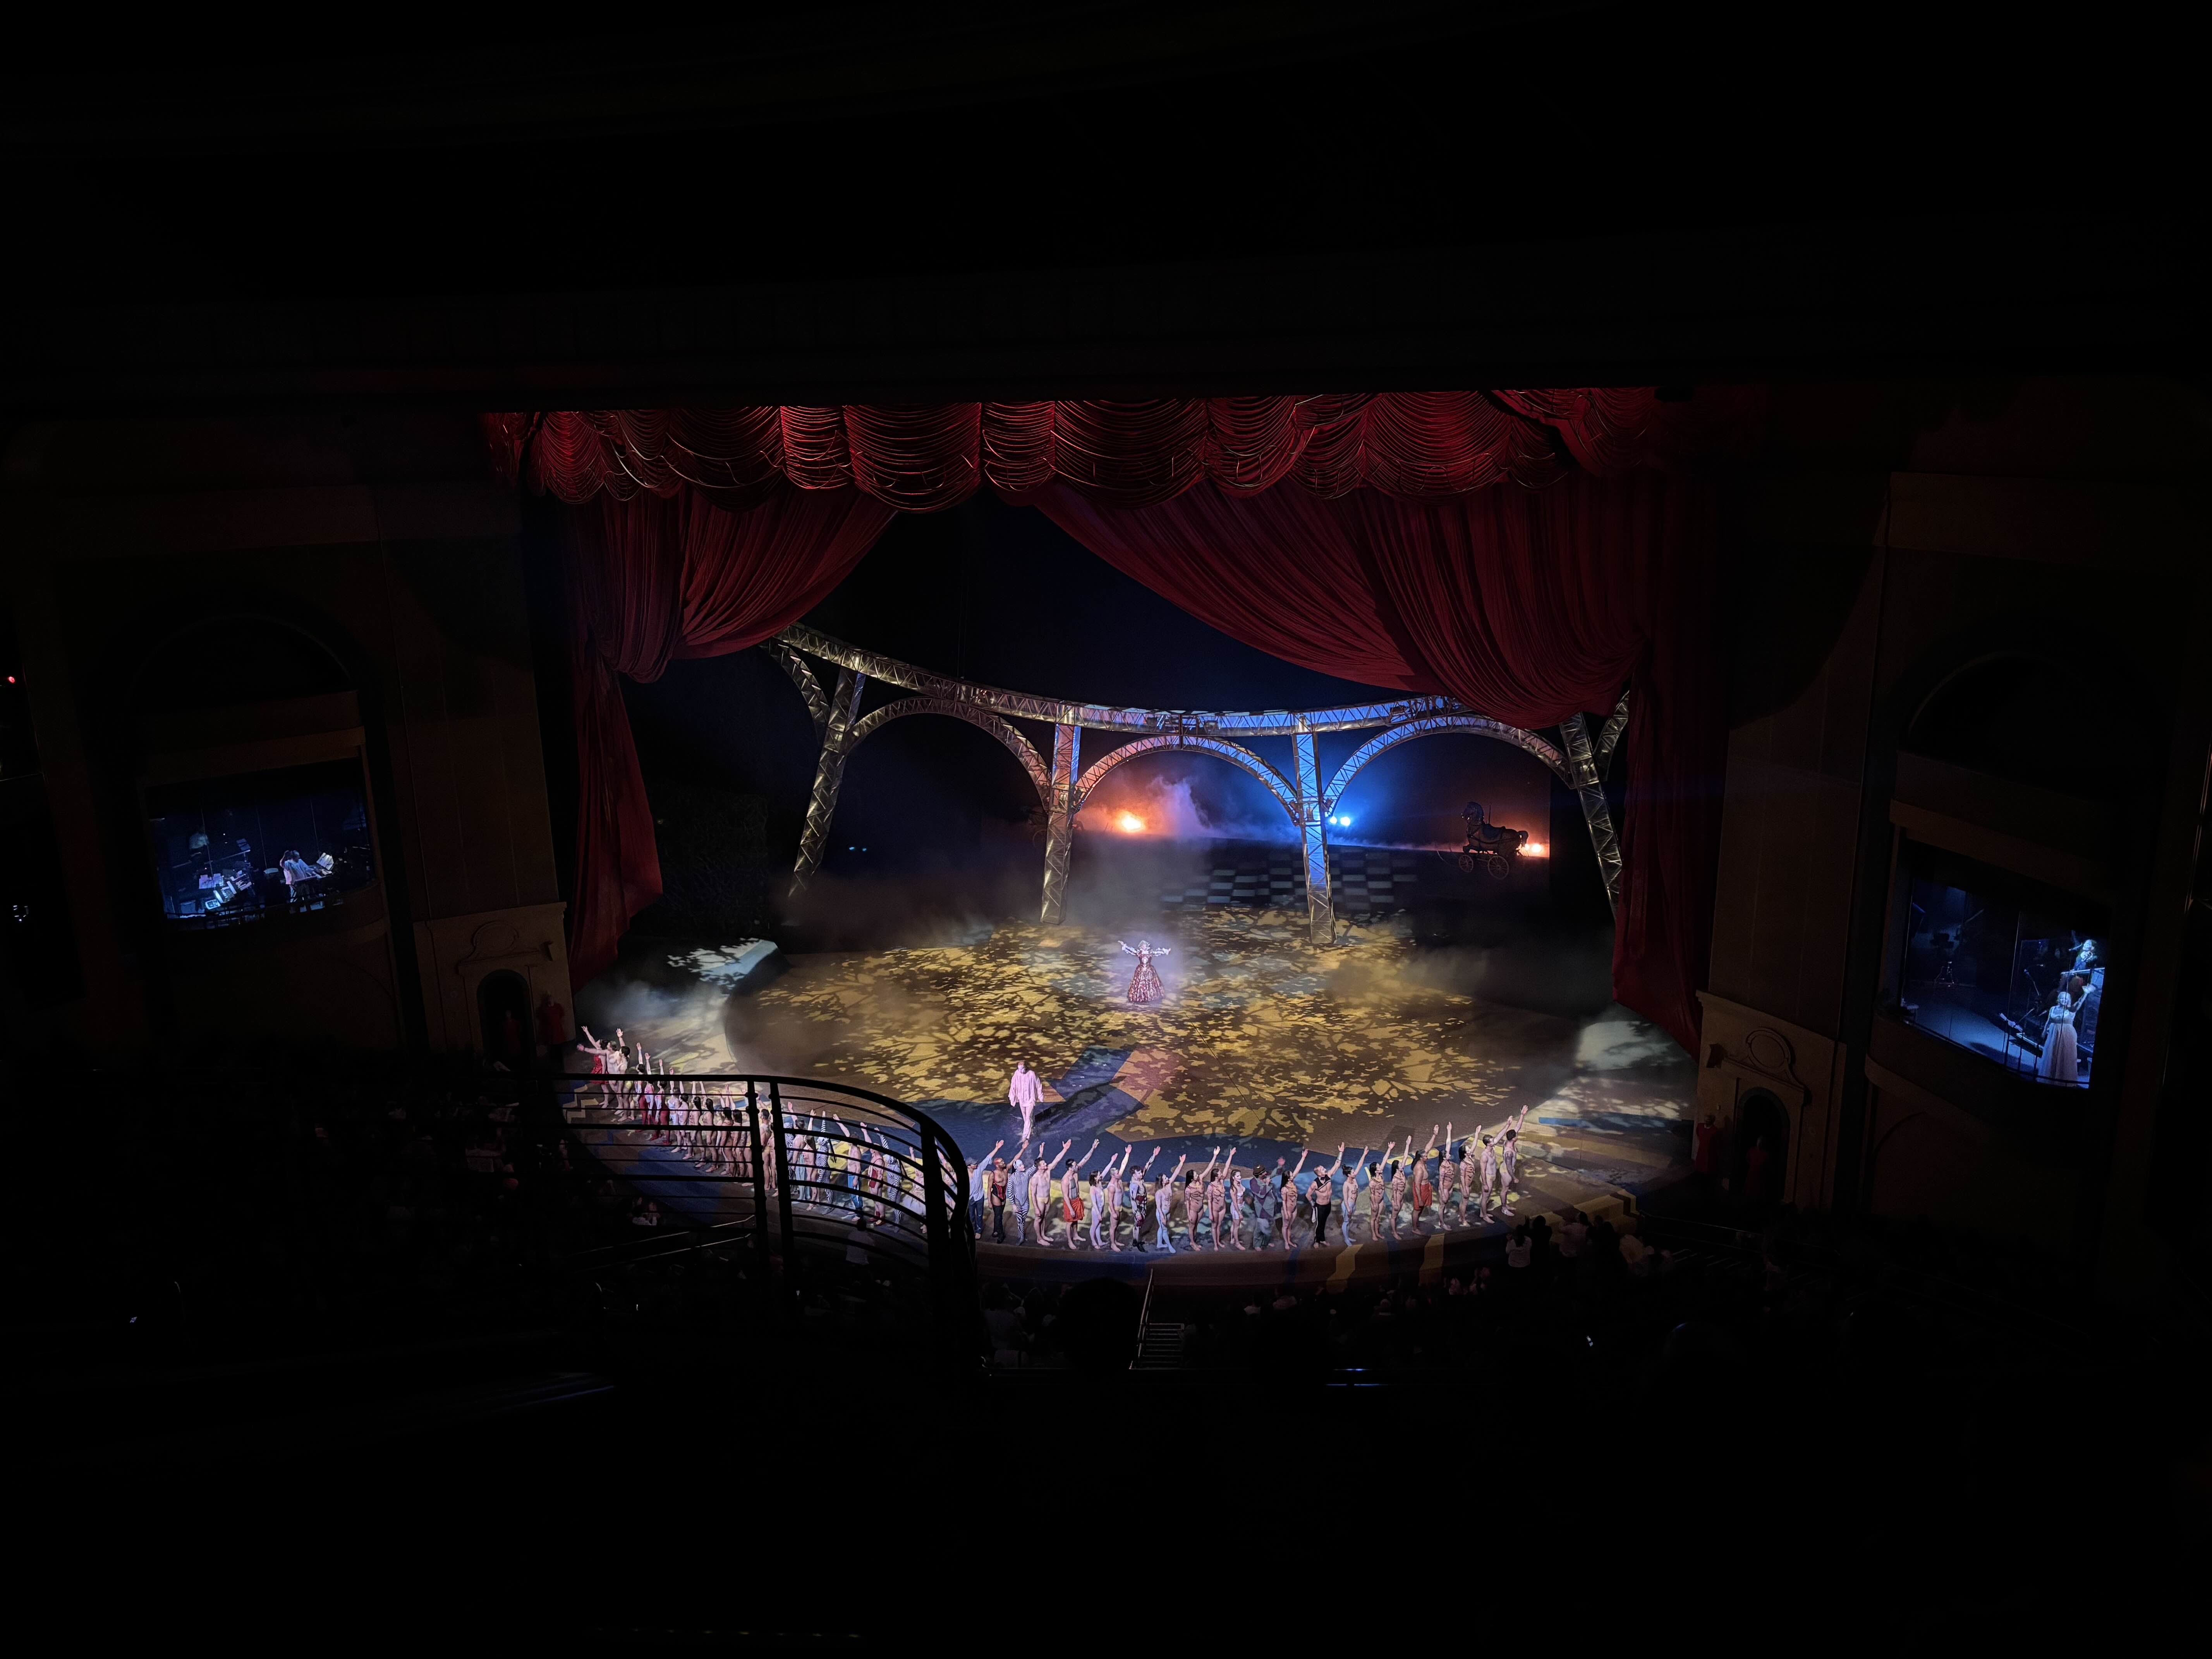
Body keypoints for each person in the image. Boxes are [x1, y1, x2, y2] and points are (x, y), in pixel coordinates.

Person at [1118, 939, 1171, 1005]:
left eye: (1145, 946)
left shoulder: (1150, 953)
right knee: (1140, 984)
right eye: (1143, 946)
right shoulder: (1139, 953)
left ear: (1147, 946)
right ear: (1141, 947)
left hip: (1149, 971)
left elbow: (1157, 952)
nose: (1144, 947)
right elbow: (1132, 951)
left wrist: (1166, 951)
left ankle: (1150, 996)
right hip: (1141, 970)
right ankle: (1140, 997)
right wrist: (1124, 946)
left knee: (1150, 983)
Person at [1154, 1152, 1188, 1252]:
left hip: (1168, 1212)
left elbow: (1176, 1173)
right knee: (1165, 1230)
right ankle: (1170, 1246)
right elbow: (1158, 1207)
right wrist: (1162, 1217)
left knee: (1161, 1228)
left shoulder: (1169, 1185)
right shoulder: (1159, 1193)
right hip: (1162, 1213)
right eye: (1165, 1178)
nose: (1168, 1178)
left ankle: (1159, 1244)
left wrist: (1181, 1163)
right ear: (1162, 1182)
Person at [1008, 1061, 1046, 1142]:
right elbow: (1013, 1085)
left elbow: (1038, 1085)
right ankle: (1031, 1127)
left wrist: (1041, 1096)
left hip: (1030, 1099)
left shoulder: (1032, 1074)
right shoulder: (1017, 1074)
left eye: (1022, 1069)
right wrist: (1012, 1097)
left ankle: (1026, 1136)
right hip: (1022, 1099)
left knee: (1028, 1117)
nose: (1020, 1071)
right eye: (1019, 1069)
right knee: (1026, 1117)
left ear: (1026, 1067)